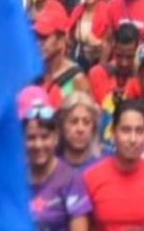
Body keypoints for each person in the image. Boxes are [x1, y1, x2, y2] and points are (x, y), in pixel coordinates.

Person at [82, 100, 144, 230]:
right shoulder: (91, 177)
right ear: (113, 133)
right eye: (126, 130)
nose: (133, 139)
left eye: (139, 131)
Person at [18, 86, 92, 231]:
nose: (38, 145)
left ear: (56, 138)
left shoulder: (69, 179)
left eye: (45, 137)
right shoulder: (14, 177)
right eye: (31, 138)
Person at [33, 8, 91, 108]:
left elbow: (89, 117)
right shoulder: (33, 73)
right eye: (36, 37)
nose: (38, 43)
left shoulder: (76, 79)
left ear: (60, 41)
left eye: (44, 37)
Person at [87, 22, 139, 106]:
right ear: (113, 48)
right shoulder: (97, 74)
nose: (124, 63)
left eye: (129, 57)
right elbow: (103, 113)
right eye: (119, 56)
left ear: (137, 51)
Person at [69, 0, 109, 69]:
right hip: (78, 60)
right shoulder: (77, 11)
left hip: (99, 62)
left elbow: (110, 42)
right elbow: (69, 36)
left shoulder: (107, 11)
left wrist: (97, 43)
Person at [59, 92, 100, 171]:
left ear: (93, 127)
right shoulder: (50, 167)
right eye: (74, 121)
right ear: (62, 125)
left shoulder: (103, 165)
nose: (80, 129)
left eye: (86, 122)